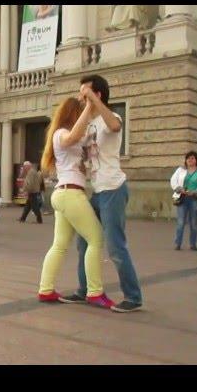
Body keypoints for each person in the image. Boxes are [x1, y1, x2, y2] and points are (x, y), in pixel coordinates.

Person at [60, 74, 143, 313]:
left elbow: (116, 126)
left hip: (113, 188)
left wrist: (93, 102)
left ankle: (133, 297)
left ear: (97, 94)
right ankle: (85, 290)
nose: (80, 96)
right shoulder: (89, 124)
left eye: (84, 91)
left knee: (116, 246)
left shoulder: (111, 117)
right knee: (85, 243)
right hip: (96, 191)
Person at [36, 97, 113, 308]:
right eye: (78, 113)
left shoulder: (71, 136)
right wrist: (89, 106)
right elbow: (73, 137)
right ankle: (95, 292)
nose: (83, 117)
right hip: (70, 194)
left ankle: (46, 289)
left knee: (60, 245)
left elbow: (82, 140)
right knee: (96, 239)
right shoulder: (61, 134)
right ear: (72, 114)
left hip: (65, 194)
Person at [170, 151, 197, 251]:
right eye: (188, 158)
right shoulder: (180, 170)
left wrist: (195, 191)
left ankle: (193, 244)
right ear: (186, 160)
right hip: (182, 198)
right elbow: (173, 180)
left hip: (194, 199)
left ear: (196, 160)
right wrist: (179, 189)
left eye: (192, 158)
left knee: (193, 223)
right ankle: (178, 243)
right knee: (181, 222)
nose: (190, 160)